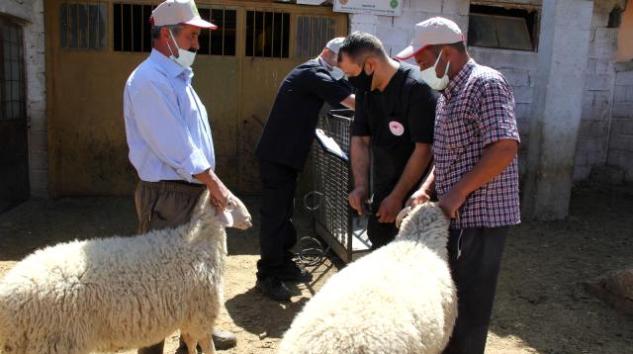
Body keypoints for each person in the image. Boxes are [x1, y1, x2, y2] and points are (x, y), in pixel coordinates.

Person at [396, 17, 521, 354]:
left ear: (446, 54)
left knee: (470, 308)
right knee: (450, 303)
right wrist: (426, 189)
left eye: (423, 61)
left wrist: (457, 193)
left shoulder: (486, 84)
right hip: (455, 217)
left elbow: (505, 146)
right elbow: (446, 156)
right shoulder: (448, 95)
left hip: (481, 219)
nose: (421, 69)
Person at [123, 0, 237, 352]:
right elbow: (176, 144)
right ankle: (152, 346)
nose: (196, 45)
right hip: (168, 195)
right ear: (165, 36)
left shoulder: (177, 78)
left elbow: (190, 138)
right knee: (159, 280)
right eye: (191, 36)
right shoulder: (148, 82)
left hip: (191, 189)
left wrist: (208, 184)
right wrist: (215, 183)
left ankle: (197, 331)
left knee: (194, 271)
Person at [254, 37, 355, 301]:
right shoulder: (312, 72)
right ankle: (267, 274)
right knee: (275, 216)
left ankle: (283, 264)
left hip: (287, 156)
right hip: (277, 156)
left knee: (285, 213)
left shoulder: (320, 72)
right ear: (328, 54)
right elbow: (349, 100)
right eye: (342, 61)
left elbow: (347, 86)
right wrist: (382, 108)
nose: (344, 67)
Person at [337, 32, 436, 250]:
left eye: (351, 74)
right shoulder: (366, 91)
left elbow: (424, 149)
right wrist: (361, 186)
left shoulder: (416, 88)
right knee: (380, 250)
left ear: (370, 65)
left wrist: (398, 196)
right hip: (383, 192)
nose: (351, 81)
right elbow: (360, 140)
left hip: (415, 197)